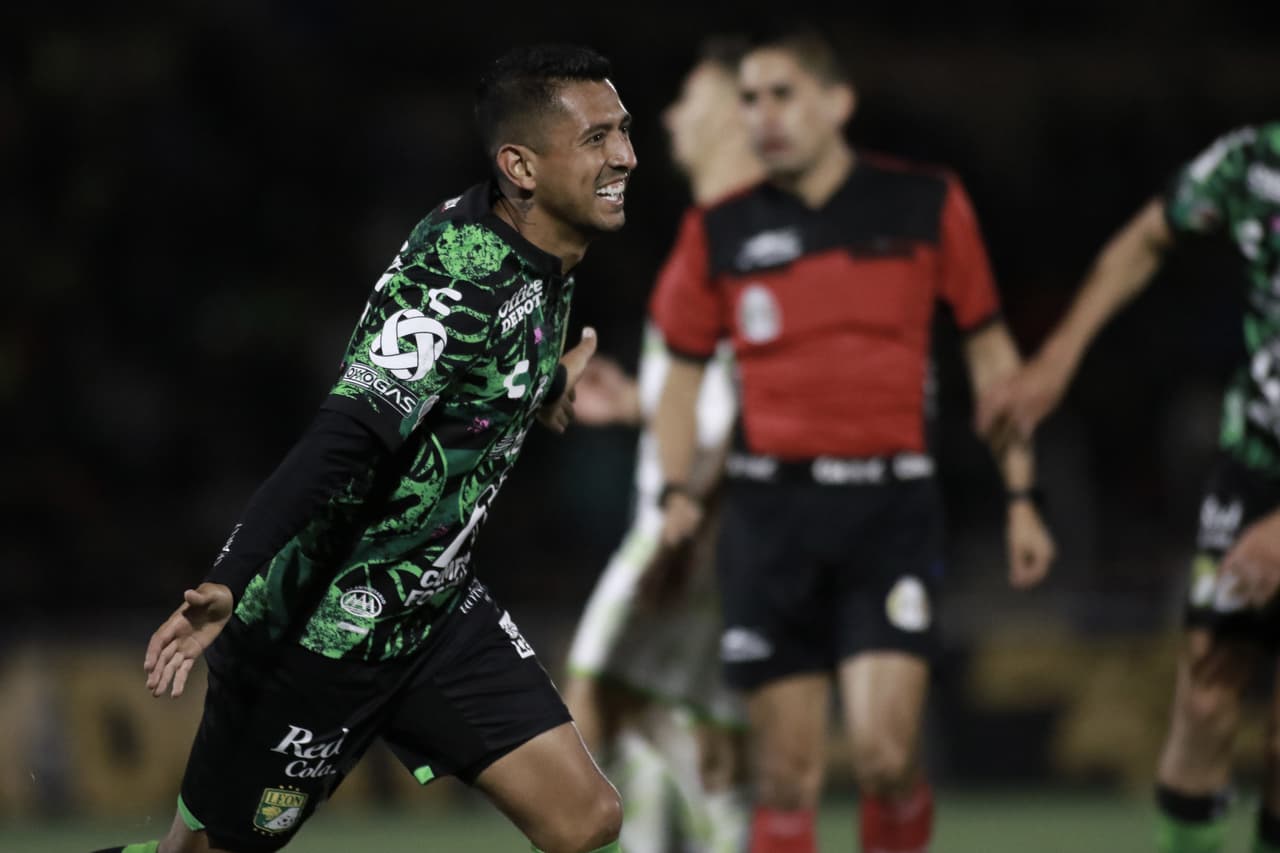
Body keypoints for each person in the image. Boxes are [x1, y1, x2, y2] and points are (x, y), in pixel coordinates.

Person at [94, 43, 637, 853]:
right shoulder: (458, 283)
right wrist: (228, 578)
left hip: (432, 609)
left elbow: (468, 389)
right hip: (318, 632)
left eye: (622, 130)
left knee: (585, 816)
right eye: (596, 138)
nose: (625, 155)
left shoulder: (542, 248)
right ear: (520, 165)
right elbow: (346, 434)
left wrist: (543, 389)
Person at [650, 25, 1056, 853]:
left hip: (888, 508)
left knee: (881, 755)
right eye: (749, 99)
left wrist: (1021, 495)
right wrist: (675, 489)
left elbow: (990, 354)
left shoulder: (925, 205)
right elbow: (682, 377)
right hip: (771, 520)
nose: (762, 115)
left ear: (837, 103)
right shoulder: (717, 233)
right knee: (790, 776)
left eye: (782, 94)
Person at [976, 121, 1280, 853]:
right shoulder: (1255, 160)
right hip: (1259, 463)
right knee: (1207, 687)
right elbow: (1145, 237)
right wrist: (1056, 360)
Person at [561, 37, 764, 853]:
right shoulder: (716, 234)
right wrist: (644, 405)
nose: (670, 120)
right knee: (682, 720)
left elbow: (758, 411)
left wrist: (688, 512)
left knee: (588, 704)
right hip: (708, 518)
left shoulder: (751, 240)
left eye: (692, 102)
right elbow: (721, 396)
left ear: (736, 120)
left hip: (690, 520)